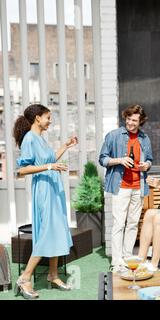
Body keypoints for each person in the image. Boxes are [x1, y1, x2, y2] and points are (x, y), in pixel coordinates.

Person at [13, 104, 78, 299]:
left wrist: (65, 146)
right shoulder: (29, 139)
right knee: (47, 231)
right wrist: (49, 167)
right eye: (48, 117)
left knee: (57, 228)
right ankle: (25, 278)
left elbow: (49, 159)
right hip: (43, 190)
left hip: (53, 188)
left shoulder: (40, 138)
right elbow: (22, 170)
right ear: (37, 118)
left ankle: (53, 274)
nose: (50, 121)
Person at [99, 104, 153, 273]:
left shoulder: (144, 138)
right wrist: (120, 160)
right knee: (119, 223)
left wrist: (146, 165)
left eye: (134, 120)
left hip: (139, 186)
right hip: (121, 186)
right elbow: (102, 159)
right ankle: (116, 261)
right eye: (128, 119)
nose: (130, 123)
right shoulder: (114, 136)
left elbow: (150, 159)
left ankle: (127, 256)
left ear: (140, 121)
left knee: (132, 223)